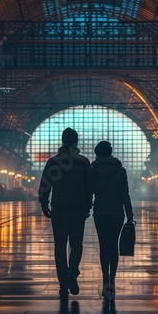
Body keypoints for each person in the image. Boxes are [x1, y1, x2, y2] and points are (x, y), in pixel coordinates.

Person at [39, 128, 92, 300]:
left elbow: (45, 184)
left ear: (62, 141)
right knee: (77, 245)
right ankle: (72, 272)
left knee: (60, 247)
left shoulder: (53, 161)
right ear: (76, 142)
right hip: (78, 209)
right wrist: (87, 206)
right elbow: (88, 187)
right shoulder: (84, 162)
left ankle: (63, 285)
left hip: (59, 209)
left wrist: (43, 203)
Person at [91, 141, 134, 300]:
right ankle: (112, 281)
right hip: (117, 213)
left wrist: (86, 207)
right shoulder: (120, 170)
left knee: (103, 245)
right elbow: (125, 194)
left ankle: (105, 280)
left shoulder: (94, 170)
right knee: (113, 246)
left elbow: (91, 191)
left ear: (98, 154)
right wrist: (130, 214)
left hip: (100, 212)